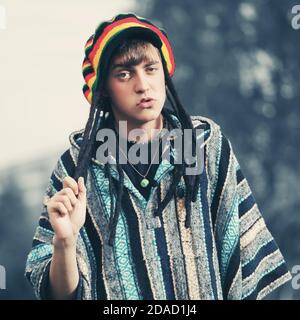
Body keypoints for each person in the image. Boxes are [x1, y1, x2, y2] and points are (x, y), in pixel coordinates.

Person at [25, 13, 291, 300]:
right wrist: (65, 241)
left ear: (164, 74)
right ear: (103, 89)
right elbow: (56, 295)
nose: (143, 85)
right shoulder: (78, 169)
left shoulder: (204, 145)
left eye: (151, 68)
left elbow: (246, 264)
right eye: (124, 74)